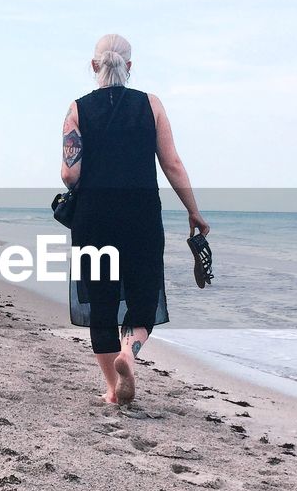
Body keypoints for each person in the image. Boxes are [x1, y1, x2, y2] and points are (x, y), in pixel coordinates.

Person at [61, 33, 209, 405]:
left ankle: (112, 389)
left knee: (102, 303)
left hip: (94, 218)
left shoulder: (77, 110)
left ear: (94, 66)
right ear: (130, 67)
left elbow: (69, 175)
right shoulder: (152, 105)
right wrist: (193, 210)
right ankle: (130, 351)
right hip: (141, 217)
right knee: (143, 298)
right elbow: (172, 163)